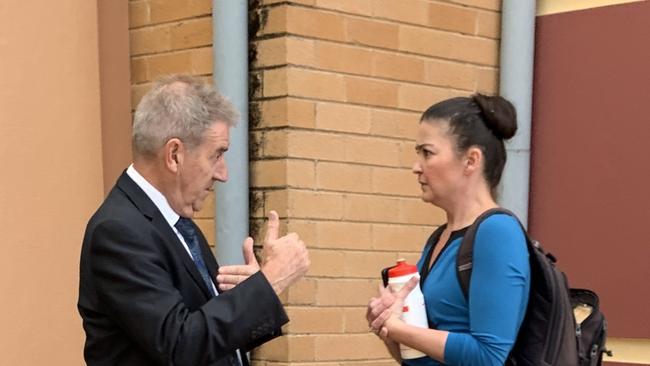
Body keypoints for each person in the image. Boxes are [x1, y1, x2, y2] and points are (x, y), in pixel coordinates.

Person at [78, 74, 310, 366]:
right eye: (216, 155)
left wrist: (249, 294)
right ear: (174, 154)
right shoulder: (119, 232)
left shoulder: (177, 222)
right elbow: (181, 345)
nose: (223, 173)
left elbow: (206, 334)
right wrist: (269, 282)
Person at [366, 94, 531, 365]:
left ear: (471, 160)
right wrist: (388, 326)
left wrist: (400, 329)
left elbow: (488, 356)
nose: (415, 168)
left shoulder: (497, 233)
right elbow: (418, 358)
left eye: (427, 153)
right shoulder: (438, 240)